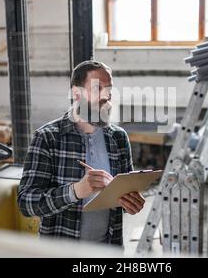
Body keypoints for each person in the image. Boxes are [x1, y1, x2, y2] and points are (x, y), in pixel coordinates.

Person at [17, 60, 145, 246]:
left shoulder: (118, 138)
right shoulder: (48, 137)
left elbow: (124, 194)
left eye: (108, 90)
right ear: (77, 94)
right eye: (97, 89)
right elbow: (26, 203)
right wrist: (75, 191)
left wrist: (131, 203)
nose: (105, 97)